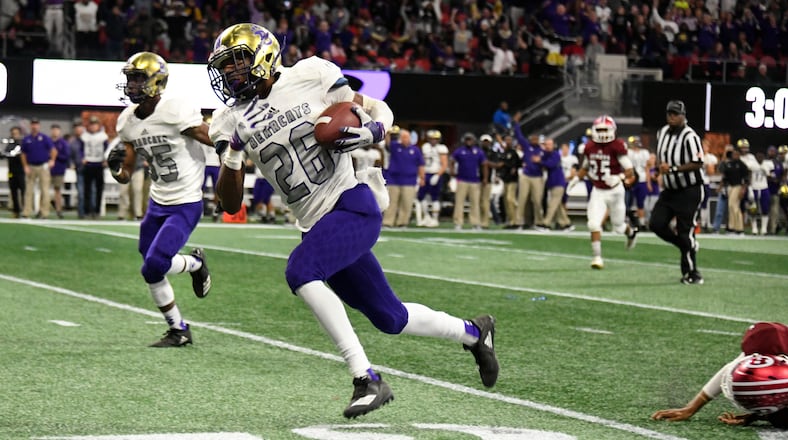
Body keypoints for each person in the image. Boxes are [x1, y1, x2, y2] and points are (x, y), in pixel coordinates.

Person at [207, 23, 498, 419]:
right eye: (225, 66)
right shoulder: (228, 119)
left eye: (237, 62)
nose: (229, 73)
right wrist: (234, 152)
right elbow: (229, 202)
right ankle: (474, 332)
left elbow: (376, 107)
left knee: (301, 271)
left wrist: (375, 129)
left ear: (264, 57)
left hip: (351, 204)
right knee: (390, 318)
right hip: (316, 225)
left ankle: (366, 378)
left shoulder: (309, 75)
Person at [109, 51, 213, 347]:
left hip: (185, 202)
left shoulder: (175, 109)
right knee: (150, 262)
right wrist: (117, 170)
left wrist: (234, 149)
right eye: (130, 78)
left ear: (157, 81)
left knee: (153, 265)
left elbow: (213, 138)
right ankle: (179, 327)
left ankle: (194, 266)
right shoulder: (127, 121)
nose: (132, 84)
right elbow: (127, 172)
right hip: (157, 202)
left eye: (138, 78)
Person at [652, 322, 788, 429]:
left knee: (781, 420)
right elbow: (729, 369)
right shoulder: (766, 348)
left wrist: (761, 416)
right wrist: (691, 408)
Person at [569, 115, 638, 269]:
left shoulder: (617, 146)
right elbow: (585, 167)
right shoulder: (589, 147)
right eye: (599, 130)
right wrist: (576, 179)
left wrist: (619, 177)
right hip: (598, 190)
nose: (602, 133)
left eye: (605, 130)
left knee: (618, 227)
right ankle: (597, 258)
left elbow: (629, 170)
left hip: (615, 191)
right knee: (593, 224)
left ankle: (631, 232)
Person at [649, 101, 705, 284]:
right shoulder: (662, 132)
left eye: (675, 114)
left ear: (683, 115)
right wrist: (658, 170)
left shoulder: (690, 136)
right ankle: (685, 245)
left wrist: (673, 169)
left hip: (689, 190)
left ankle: (692, 273)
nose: (672, 117)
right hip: (670, 190)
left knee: (685, 231)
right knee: (656, 224)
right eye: (669, 113)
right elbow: (661, 158)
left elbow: (698, 163)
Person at [382, 127, 424, 228]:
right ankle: (388, 222)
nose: (405, 139)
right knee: (391, 202)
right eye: (403, 137)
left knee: (406, 202)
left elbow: (421, 164)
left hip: (410, 180)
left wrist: (422, 177)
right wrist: (388, 132)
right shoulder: (395, 146)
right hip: (394, 179)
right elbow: (387, 142)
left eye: (407, 137)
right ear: (400, 138)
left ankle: (402, 222)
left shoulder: (415, 150)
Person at [21, 118, 56, 219]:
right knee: (29, 190)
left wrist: (52, 160)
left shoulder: (44, 138)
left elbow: (53, 150)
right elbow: (23, 154)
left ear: (39, 126)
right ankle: (27, 211)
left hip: (43, 166)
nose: (34, 126)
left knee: (44, 190)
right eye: (33, 124)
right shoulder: (27, 139)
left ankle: (44, 212)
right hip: (31, 166)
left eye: (36, 124)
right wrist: (25, 166)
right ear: (30, 126)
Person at [450, 133, 486, 230]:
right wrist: (452, 171)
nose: (468, 141)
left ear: (474, 141)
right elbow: (452, 160)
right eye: (467, 139)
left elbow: (484, 164)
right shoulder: (459, 151)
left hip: (475, 180)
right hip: (462, 179)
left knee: (475, 202)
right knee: (459, 202)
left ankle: (475, 222)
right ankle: (458, 222)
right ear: (464, 140)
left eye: (470, 140)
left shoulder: (478, 152)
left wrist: (485, 178)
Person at [416, 129, 447, 228]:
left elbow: (444, 164)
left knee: (435, 197)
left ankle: (435, 219)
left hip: (435, 174)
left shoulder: (442, 148)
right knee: (421, 197)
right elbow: (421, 162)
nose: (434, 140)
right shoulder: (425, 147)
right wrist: (421, 175)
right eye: (432, 138)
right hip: (425, 173)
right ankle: (427, 216)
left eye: (436, 139)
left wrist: (438, 175)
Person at [80, 116, 108, 219]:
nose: (93, 127)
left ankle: (97, 211)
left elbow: (107, 149)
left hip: (99, 164)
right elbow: (80, 149)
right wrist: (82, 158)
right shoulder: (84, 136)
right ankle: (87, 211)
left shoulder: (103, 136)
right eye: (91, 125)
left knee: (99, 190)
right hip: (88, 164)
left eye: (95, 125)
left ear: (98, 126)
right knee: (87, 189)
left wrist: (106, 159)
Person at [626, 135, 650, 230]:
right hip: (632, 180)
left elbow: (647, 168)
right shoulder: (629, 152)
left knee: (641, 202)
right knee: (628, 203)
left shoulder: (645, 153)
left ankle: (642, 222)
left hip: (642, 180)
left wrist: (648, 182)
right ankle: (629, 221)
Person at [2, 127, 25, 218]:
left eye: (16, 133)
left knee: (23, 191)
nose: (14, 135)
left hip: (21, 171)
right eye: (13, 133)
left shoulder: (22, 144)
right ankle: (16, 210)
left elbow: (22, 156)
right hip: (11, 172)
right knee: (13, 192)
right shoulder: (10, 145)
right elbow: (5, 155)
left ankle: (24, 210)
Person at [49, 124, 70, 219]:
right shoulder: (48, 141)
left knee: (57, 190)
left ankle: (59, 210)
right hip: (48, 169)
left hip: (59, 169)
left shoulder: (63, 143)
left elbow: (66, 156)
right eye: (53, 130)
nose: (55, 132)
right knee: (44, 190)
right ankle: (43, 210)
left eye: (56, 130)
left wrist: (55, 155)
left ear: (59, 131)